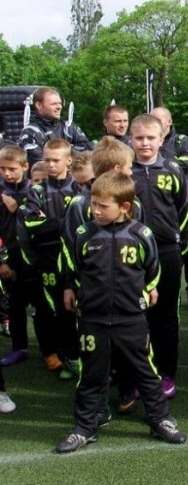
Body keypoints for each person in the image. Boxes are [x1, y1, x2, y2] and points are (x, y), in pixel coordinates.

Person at [55, 171, 186, 453]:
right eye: (94, 203)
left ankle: (160, 419)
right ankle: (85, 427)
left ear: (124, 207)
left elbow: (153, 268)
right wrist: (76, 290)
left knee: (146, 372)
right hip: (92, 319)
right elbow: (73, 265)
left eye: (103, 206)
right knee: (91, 374)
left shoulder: (141, 234)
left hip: (131, 319)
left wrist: (147, 289)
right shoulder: (84, 234)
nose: (95, 210)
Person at [129, 114, 188, 398]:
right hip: (131, 255)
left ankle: (167, 374)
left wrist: (178, 243)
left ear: (161, 139)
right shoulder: (124, 172)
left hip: (166, 251)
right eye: (139, 138)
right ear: (131, 139)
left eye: (150, 138)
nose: (144, 143)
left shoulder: (172, 169)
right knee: (136, 318)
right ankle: (139, 375)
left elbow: (182, 210)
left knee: (165, 317)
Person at [21, 139, 80, 378]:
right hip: (47, 260)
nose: (51, 165)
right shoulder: (36, 191)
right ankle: (58, 354)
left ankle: (77, 354)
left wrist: (51, 222)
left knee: (74, 309)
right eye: (47, 160)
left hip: (76, 259)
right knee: (50, 309)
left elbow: (86, 224)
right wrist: (65, 222)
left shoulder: (79, 188)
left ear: (68, 160)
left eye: (56, 160)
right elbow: (32, 223)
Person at [151, 107, 188, 311]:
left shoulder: (182, 141)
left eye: (157, 119)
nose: (153, 121)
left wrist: (159, 162)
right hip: (159, 208)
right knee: (161, 253)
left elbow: (186, 163)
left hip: (184, 206)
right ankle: (168, 291)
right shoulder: (148, 141)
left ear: (168, 122)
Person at [0, 145, 34, 368]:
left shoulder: (35, 191)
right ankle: (19, 348)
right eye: (2, 169)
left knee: (46, 309)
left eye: (12, 169)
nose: (6, 173)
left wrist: (19, 208)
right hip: (10, 259)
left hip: (36, 260)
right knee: (15, 305)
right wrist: (1, 261)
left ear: (25, 166)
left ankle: (54, 349)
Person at [18, 87, 93, 168]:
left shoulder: (68, 127)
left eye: (60, 103)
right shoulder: (31, 131)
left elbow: (87, 150)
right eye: (54, 104)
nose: (59, 107)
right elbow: (38, 162)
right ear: (39, 105)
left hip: (72, 178)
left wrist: (67, 153)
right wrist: (68, 153)